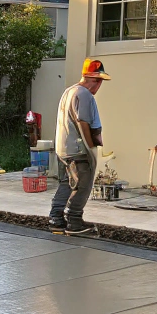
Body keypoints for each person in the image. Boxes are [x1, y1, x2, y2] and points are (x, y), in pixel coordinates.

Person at [49, 58, 111, 237]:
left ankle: (56, 219)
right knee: (83, 185)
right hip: (78, 150)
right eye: (99, 82)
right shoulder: (84, 94)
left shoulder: (69, 91)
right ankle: (74, 222)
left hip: (64, 149)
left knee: (66, 184)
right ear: (96, 80)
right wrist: (90, 149)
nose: (99, 87)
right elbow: (83, 122)